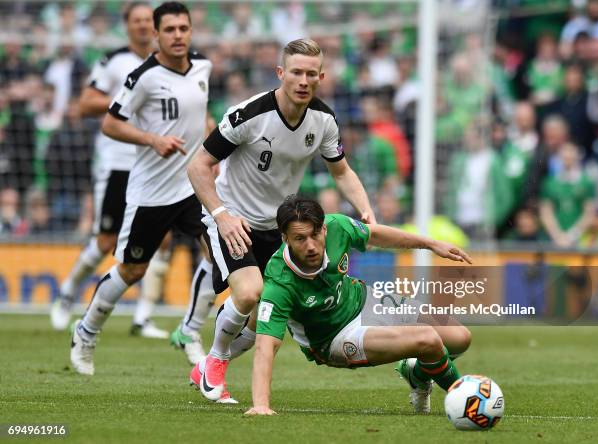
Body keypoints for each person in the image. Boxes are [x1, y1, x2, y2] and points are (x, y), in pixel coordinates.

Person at [186, 38, 376, 402]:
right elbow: (197, 166)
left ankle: (208, 361)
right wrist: (222, 215)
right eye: (296, 72)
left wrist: (366, 209)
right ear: (280, 74)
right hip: (232, 218)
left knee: (264, 320)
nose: (303, 80)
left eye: (311, 74)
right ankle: (216, 360)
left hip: (278, 227)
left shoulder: (323, 120)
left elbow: (342, 172)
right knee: (249, 292)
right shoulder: (249, 115)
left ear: (321, 76)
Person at [70, 2, 216, 379]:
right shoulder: (143, 77)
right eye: (170, 30)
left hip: (192, 186)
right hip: (150, 193)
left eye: (184, 28)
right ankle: (85, 331)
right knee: (133, 269)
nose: (178, 35)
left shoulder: (203, 67)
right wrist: (152, 139)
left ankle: (189, 330)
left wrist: (215, 148)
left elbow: (201, 115)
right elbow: (110, 124)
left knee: (219, 257)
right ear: (156, 34)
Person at [243, 196, 473, 415]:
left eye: (315, 234)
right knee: (428, 339)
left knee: (460, 337)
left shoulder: (338, 226)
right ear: (285, 239)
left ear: (324, 228)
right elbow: (266, 346)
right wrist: (261, 405)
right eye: (300, 239)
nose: (311, 246)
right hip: (334, 339)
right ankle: (468, 401)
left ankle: (417, 374)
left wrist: (431, 244)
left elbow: (375, 235)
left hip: (364, 299)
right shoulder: (279, 282)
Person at [50, 2, 169, 339]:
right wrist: (129, 94)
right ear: (127, 25)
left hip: (155, 162)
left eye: (149, 20)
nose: (145, 26)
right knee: (105, 241)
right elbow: (85, 104)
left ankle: (143, 318)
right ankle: (68, 291)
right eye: (138, 21)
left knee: (164, 238)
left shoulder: (170, 64)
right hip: (118, 162)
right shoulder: (115, 61)